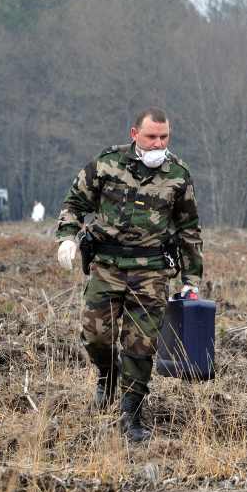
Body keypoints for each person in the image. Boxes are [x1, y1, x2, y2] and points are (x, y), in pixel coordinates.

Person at [55, 107, 203, 442]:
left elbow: (189, 229)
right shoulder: (107, 165)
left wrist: (191, 280)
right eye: (151, 136)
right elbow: (75, 203)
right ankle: (108, 375)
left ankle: (132, 414)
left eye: (164, 137)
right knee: (96, 337)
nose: (158, 143)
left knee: (141, 346)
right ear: (135, 134)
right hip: (107, 267)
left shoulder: (178, 174)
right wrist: (67, 237)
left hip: (150, 273)